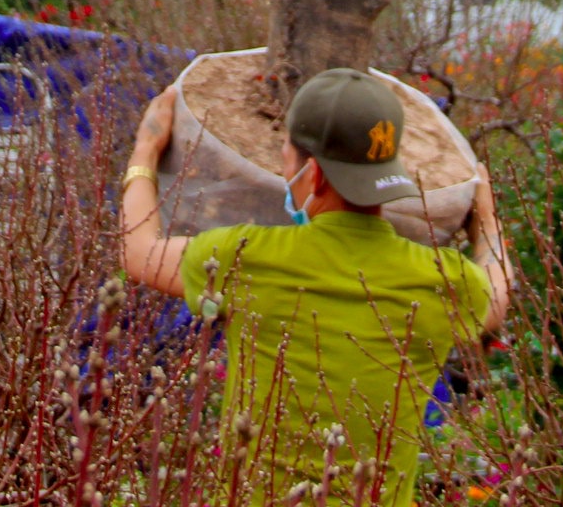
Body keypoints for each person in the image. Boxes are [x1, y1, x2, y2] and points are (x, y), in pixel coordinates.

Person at [120, 68, 512, 506]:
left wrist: (146, 150)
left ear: (313, 174)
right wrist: (487, 223)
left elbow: (139, 251)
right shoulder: (447, 283)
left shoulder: (244, 258)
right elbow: (496, 297)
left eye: (286, 151)